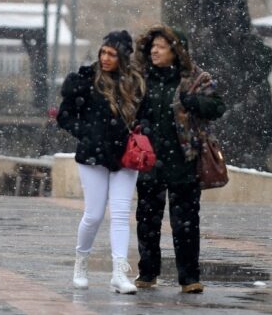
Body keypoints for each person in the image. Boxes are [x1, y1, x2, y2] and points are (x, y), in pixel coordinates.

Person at [133, 25, 225, 293]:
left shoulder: (197, 79)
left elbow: (217, 106)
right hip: (150, 161)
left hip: (185, 160)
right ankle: (147, 273)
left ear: (175, 51)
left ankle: (189, 278)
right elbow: (130, 108)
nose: (154, 51)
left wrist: (192, 102)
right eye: (152, 46)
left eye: (160, 46)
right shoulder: (143, 79)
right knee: (147, 220)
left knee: (185, 222)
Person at [57, 30, 146, 294]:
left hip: (125, 156)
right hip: (92, 156)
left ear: (123, 57)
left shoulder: (135, 84)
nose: (106, 58)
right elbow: (65, 115)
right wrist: (85, 132)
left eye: (112, 54)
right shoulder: (84, 81)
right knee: (94, 215)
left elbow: (147, 116)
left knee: (120, 215)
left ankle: (119, 273)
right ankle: (81, 263)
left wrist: (142, 133)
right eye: (103, 52)